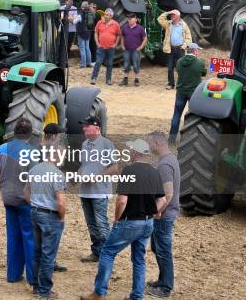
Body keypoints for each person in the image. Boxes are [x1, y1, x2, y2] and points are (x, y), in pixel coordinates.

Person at [81, 139, 166, 300]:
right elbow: (162, 200)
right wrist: (153, 213)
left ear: (135, 153)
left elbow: (122, 200)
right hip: (147, 223)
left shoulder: (129, 171)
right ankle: (137, 296)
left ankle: (99, 293)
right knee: (139, 260)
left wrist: (116, 219)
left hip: (129, 221)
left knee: (107, 252)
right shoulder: (155, 172)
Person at [25, 123, 67, 299]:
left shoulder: (34, 169)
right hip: (50, 216)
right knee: (48, 255)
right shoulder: (57, 174)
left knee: (37, 251)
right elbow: (61, 202)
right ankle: (44, 291)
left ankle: (35, 286)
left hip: (34, 212)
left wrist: (35, 203)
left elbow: (25, 193)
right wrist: (61, 217)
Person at [0, 118, 38, 285]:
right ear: (30, 133)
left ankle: (13, 275)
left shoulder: (2, 148)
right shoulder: (32, 151)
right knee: (30, 238)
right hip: (25, 200)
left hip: (8, 198)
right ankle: (33, 279)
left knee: (13, 236)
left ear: (14, 131)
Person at [78, 116, 118, 263]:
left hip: (99, 191)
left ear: (96, 128)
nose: (83, 128)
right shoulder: (84, 144)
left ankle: (108, 256)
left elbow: (114, 167)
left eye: (86, 126)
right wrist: (79, 173)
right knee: (91, 224)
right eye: (83, 126)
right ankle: (97, 252)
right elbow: (83, 165)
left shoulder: (107, 144)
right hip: (85, 191)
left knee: (101, 224)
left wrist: (96, 177)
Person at [146, 131, 181, 298]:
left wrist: (157, 211)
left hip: (164, 215)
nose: (149, 146)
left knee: (163, 250)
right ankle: (162, 280)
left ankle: (165, 288)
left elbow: (168, 194)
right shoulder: (170, 158)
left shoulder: (164, 165)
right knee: (157, 247)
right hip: (165, 214)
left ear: (157, 144)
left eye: (150, 143)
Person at [168, 42, 206, 143]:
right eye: (198, 50)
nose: (198, 52)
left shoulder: (179, 61)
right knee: (193, 116)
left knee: (176, 115)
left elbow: (178, 71)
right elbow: (204, 73)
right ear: (195, 51)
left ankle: (171, 139)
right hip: (193, 93)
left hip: (180, 91)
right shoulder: (200, 63)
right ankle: (188, 138)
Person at [157, 10, 192, 90]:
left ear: (178, 17)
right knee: (170, 68)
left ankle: (181, 84)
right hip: (170, 49)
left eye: (173, 15)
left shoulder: (184, 25)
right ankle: (171, 84)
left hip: (180, 49)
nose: (172, 17)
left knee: (181, 68)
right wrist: (168, 12)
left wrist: (184, 46)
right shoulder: (168, 24)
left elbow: (189, 38)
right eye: (171, 15)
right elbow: (159, 19)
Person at [91, 8, 120, 86]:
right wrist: (97, 43)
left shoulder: (116, 24)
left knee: (110, 64)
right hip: (101, 47)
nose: (106, 16)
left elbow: (118, 35)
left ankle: (108, 79)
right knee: (98, 62)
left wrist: (115, 44)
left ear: (111, 16)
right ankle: (93, 78)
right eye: (106, 14)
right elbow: (96, 33)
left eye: (108, 15)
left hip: (111, 48)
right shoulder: (100, 23)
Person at [120, 13, 147, 87]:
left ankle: (136, 79)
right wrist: (122, 45)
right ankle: (125, 79)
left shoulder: (140, 28)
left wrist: (141, 47)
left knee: (136, 64)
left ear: (135, 19)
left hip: (136, 50)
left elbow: (145, 38)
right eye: (128, 19)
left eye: (130, 19)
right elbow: (122, 36)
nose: (129, 20)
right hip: (127, 49)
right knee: (126, 64)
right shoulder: (125, 28)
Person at [77, 1, 93, 68]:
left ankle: (83, 64)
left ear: (82, 7)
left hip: (81, 33)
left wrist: (71, 19)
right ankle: (89, 63)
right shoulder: (90, 13)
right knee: (87, 48)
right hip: (88, 32)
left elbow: (75, 21)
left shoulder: (81, 14)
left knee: (82, 48)